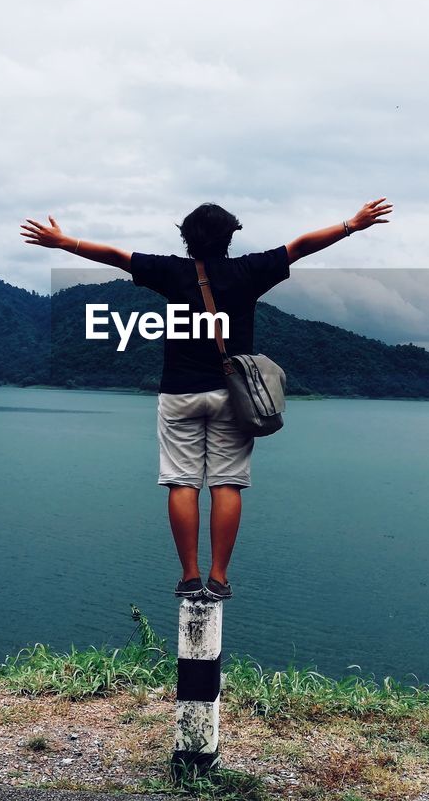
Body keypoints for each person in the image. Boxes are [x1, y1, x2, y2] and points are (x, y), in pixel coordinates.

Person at [20, 198, 393, 600]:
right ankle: (218, 577)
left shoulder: (171, 271)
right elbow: (300, 246)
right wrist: (352, 225)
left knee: (182, 482)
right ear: (231, 236)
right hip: (233, 395)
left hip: (179, 393)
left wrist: (63, 243)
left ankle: (188, 576)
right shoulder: (248, 270)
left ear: (185, 238)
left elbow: (115, 256)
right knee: (227, 484)